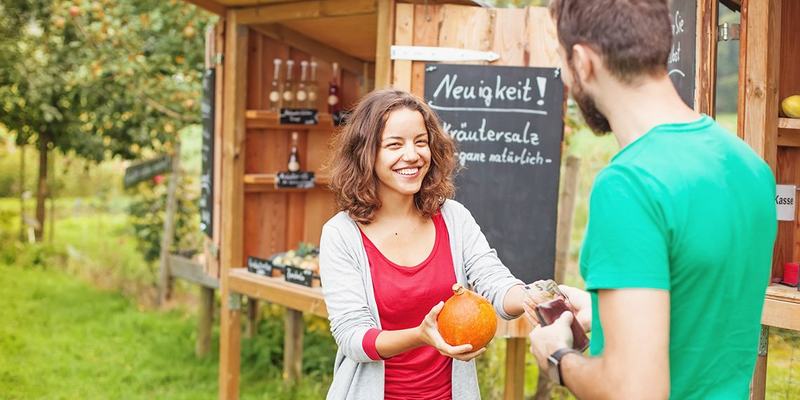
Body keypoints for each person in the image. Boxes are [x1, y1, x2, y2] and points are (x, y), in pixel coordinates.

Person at [523, 1, 778, 399]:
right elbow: (704, 308)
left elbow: (634, 391)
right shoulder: (751, 168)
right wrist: (608, 317)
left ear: (582, 60)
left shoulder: (628, 184)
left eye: (560, 60)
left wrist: (557, 357)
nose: (565, 80)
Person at [319, 89, 530, 400]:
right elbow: (354, 337)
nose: (413, 155)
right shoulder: (342, 235)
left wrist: (532, 298)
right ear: (366, 154)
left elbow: (493, 282)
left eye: (421, 141)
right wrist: (421, 336)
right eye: (394, 144)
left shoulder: (453, 218)